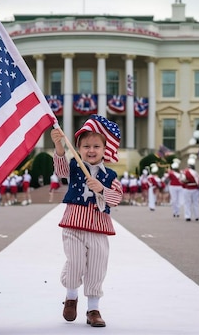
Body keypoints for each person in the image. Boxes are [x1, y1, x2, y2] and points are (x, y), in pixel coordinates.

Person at [51, 115, 123, 328]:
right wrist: (58, 145)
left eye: (96, 146)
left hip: (99, 227)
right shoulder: (74, 167)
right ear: (79, 148)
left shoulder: (109, 175)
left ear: (104, 149)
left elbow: (117, 198)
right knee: (75, 262)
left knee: (97, 267)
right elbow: (60, 171)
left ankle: (93, 308)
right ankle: (71, 296)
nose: (91, 150)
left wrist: (101, 189)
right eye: (86, 146)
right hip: (73, 224)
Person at [181, 154, 199, 222]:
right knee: (195, 203)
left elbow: (182, 180)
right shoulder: (195, 172)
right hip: (195, 189)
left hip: (187, 188)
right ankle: (196, 216)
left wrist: (187, 181)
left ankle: (188, 216)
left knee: (187, 203)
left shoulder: (185, 171)